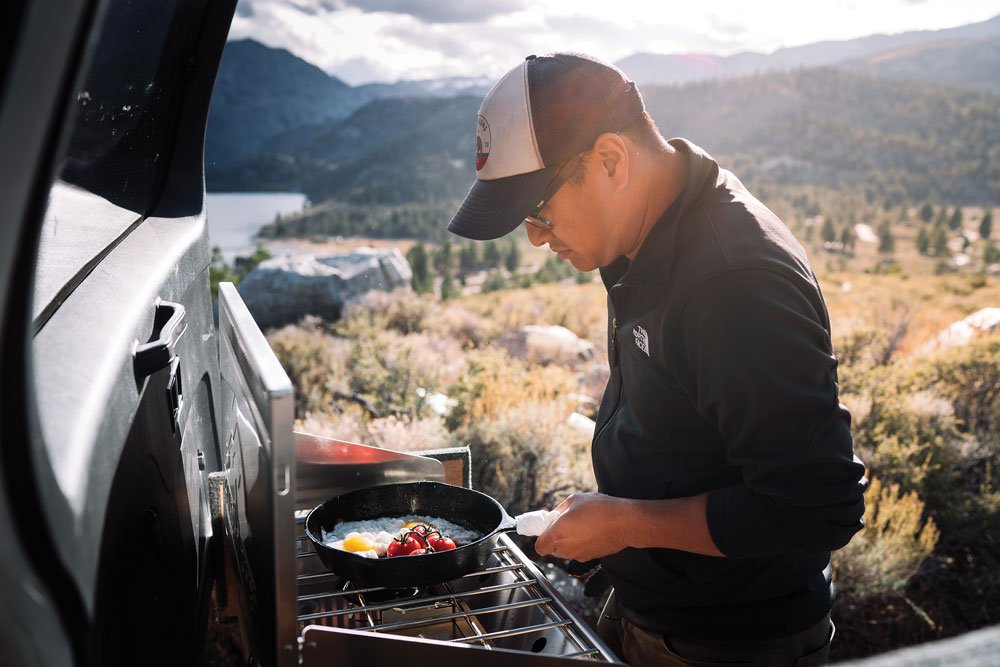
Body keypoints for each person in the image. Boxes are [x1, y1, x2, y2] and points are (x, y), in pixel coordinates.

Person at [447, 52, 867, 666]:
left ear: (612, 160)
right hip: (659, 610)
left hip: (729, 645)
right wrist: (612, 520)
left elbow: (816, 507)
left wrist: (625, 524)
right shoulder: (640, 232)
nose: (534, 236)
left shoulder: (733, 283)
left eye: (537, 209)